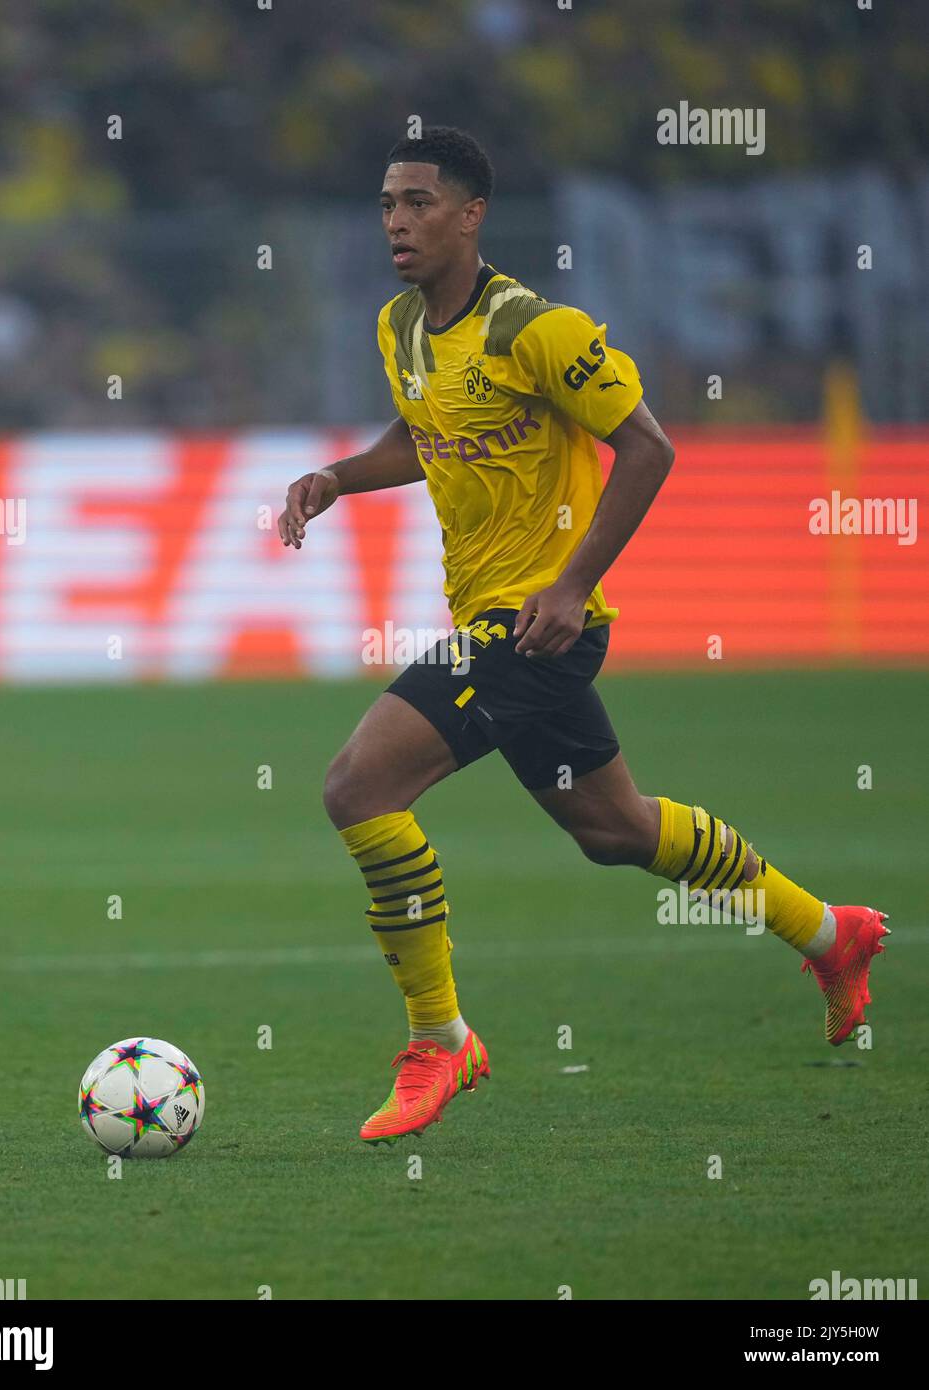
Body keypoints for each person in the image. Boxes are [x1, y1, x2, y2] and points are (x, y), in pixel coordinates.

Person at [277, 127, 888, 1146]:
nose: (396, 221)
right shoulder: (401, 328)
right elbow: (423, 435)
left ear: (471, 215)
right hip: (493, 618)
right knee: (616, 831)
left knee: (358, 785)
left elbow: (648, 447)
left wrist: (570, 584)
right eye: (387, 202)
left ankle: (441, 1040)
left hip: (534, 624)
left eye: (419, 203)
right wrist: (341, 476)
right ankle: (832, 934)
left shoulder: (539, 329)